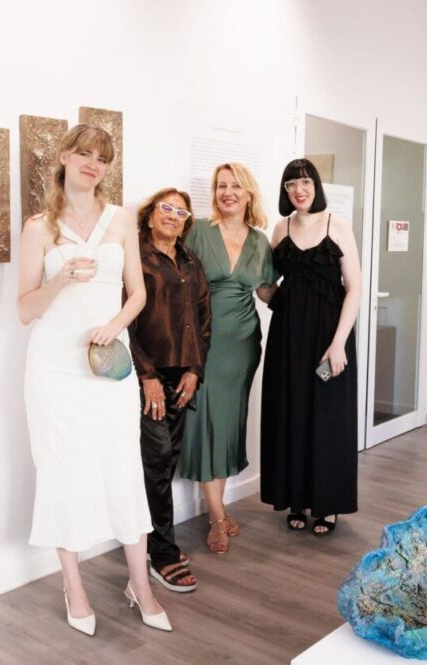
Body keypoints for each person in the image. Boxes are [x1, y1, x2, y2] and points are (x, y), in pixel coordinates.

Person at [17, 124, 170, 635]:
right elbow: (24, 311)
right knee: (62, 470)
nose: (92, 164)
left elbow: (138, 295)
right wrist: (60, 278)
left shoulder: (121, 219)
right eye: (83, 154)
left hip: (108, 364)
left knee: (122, 466)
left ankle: (139, 585)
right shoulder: (40, 227)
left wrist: (115, 327)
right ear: (64, 157)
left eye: (101, 158)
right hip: (56, 368)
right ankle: (73, 585)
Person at [178, 162, 277, 554]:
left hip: (245, 344)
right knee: (204, 422)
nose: (227, 192)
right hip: (204, 342)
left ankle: (217, 506)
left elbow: (267, 293)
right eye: (221, 186)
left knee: (230, 421)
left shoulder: (260, 241)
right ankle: (217, 515)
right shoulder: (199, 231)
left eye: (235, 186)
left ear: (249, 194)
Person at [260, 159, 361, 536]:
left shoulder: (338, 225)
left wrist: (339, 344)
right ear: (285, 192)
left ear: (316, 185)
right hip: (287, 335)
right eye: (290, 185)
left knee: (328, 419)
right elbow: (269, 286)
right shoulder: (280, 228)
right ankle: (297, 499)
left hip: (328, 335)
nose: (298, 190)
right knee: (292, 415)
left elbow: (354, 288)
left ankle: (327, 505)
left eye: (304, 182)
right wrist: (256, 286)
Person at [128, 188, 211, 592]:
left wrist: (195, 370)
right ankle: (161, 554)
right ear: (148, 216)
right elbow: (124, 320)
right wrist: (146, 376)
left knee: (167, 460)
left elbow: (203, 321)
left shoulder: (191, 261)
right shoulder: (135, 258)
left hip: (183, 376)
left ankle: (154, 540)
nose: (173, 216)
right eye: (166, 208)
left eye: (181, 212)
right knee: (157, 460)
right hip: (150, 375)